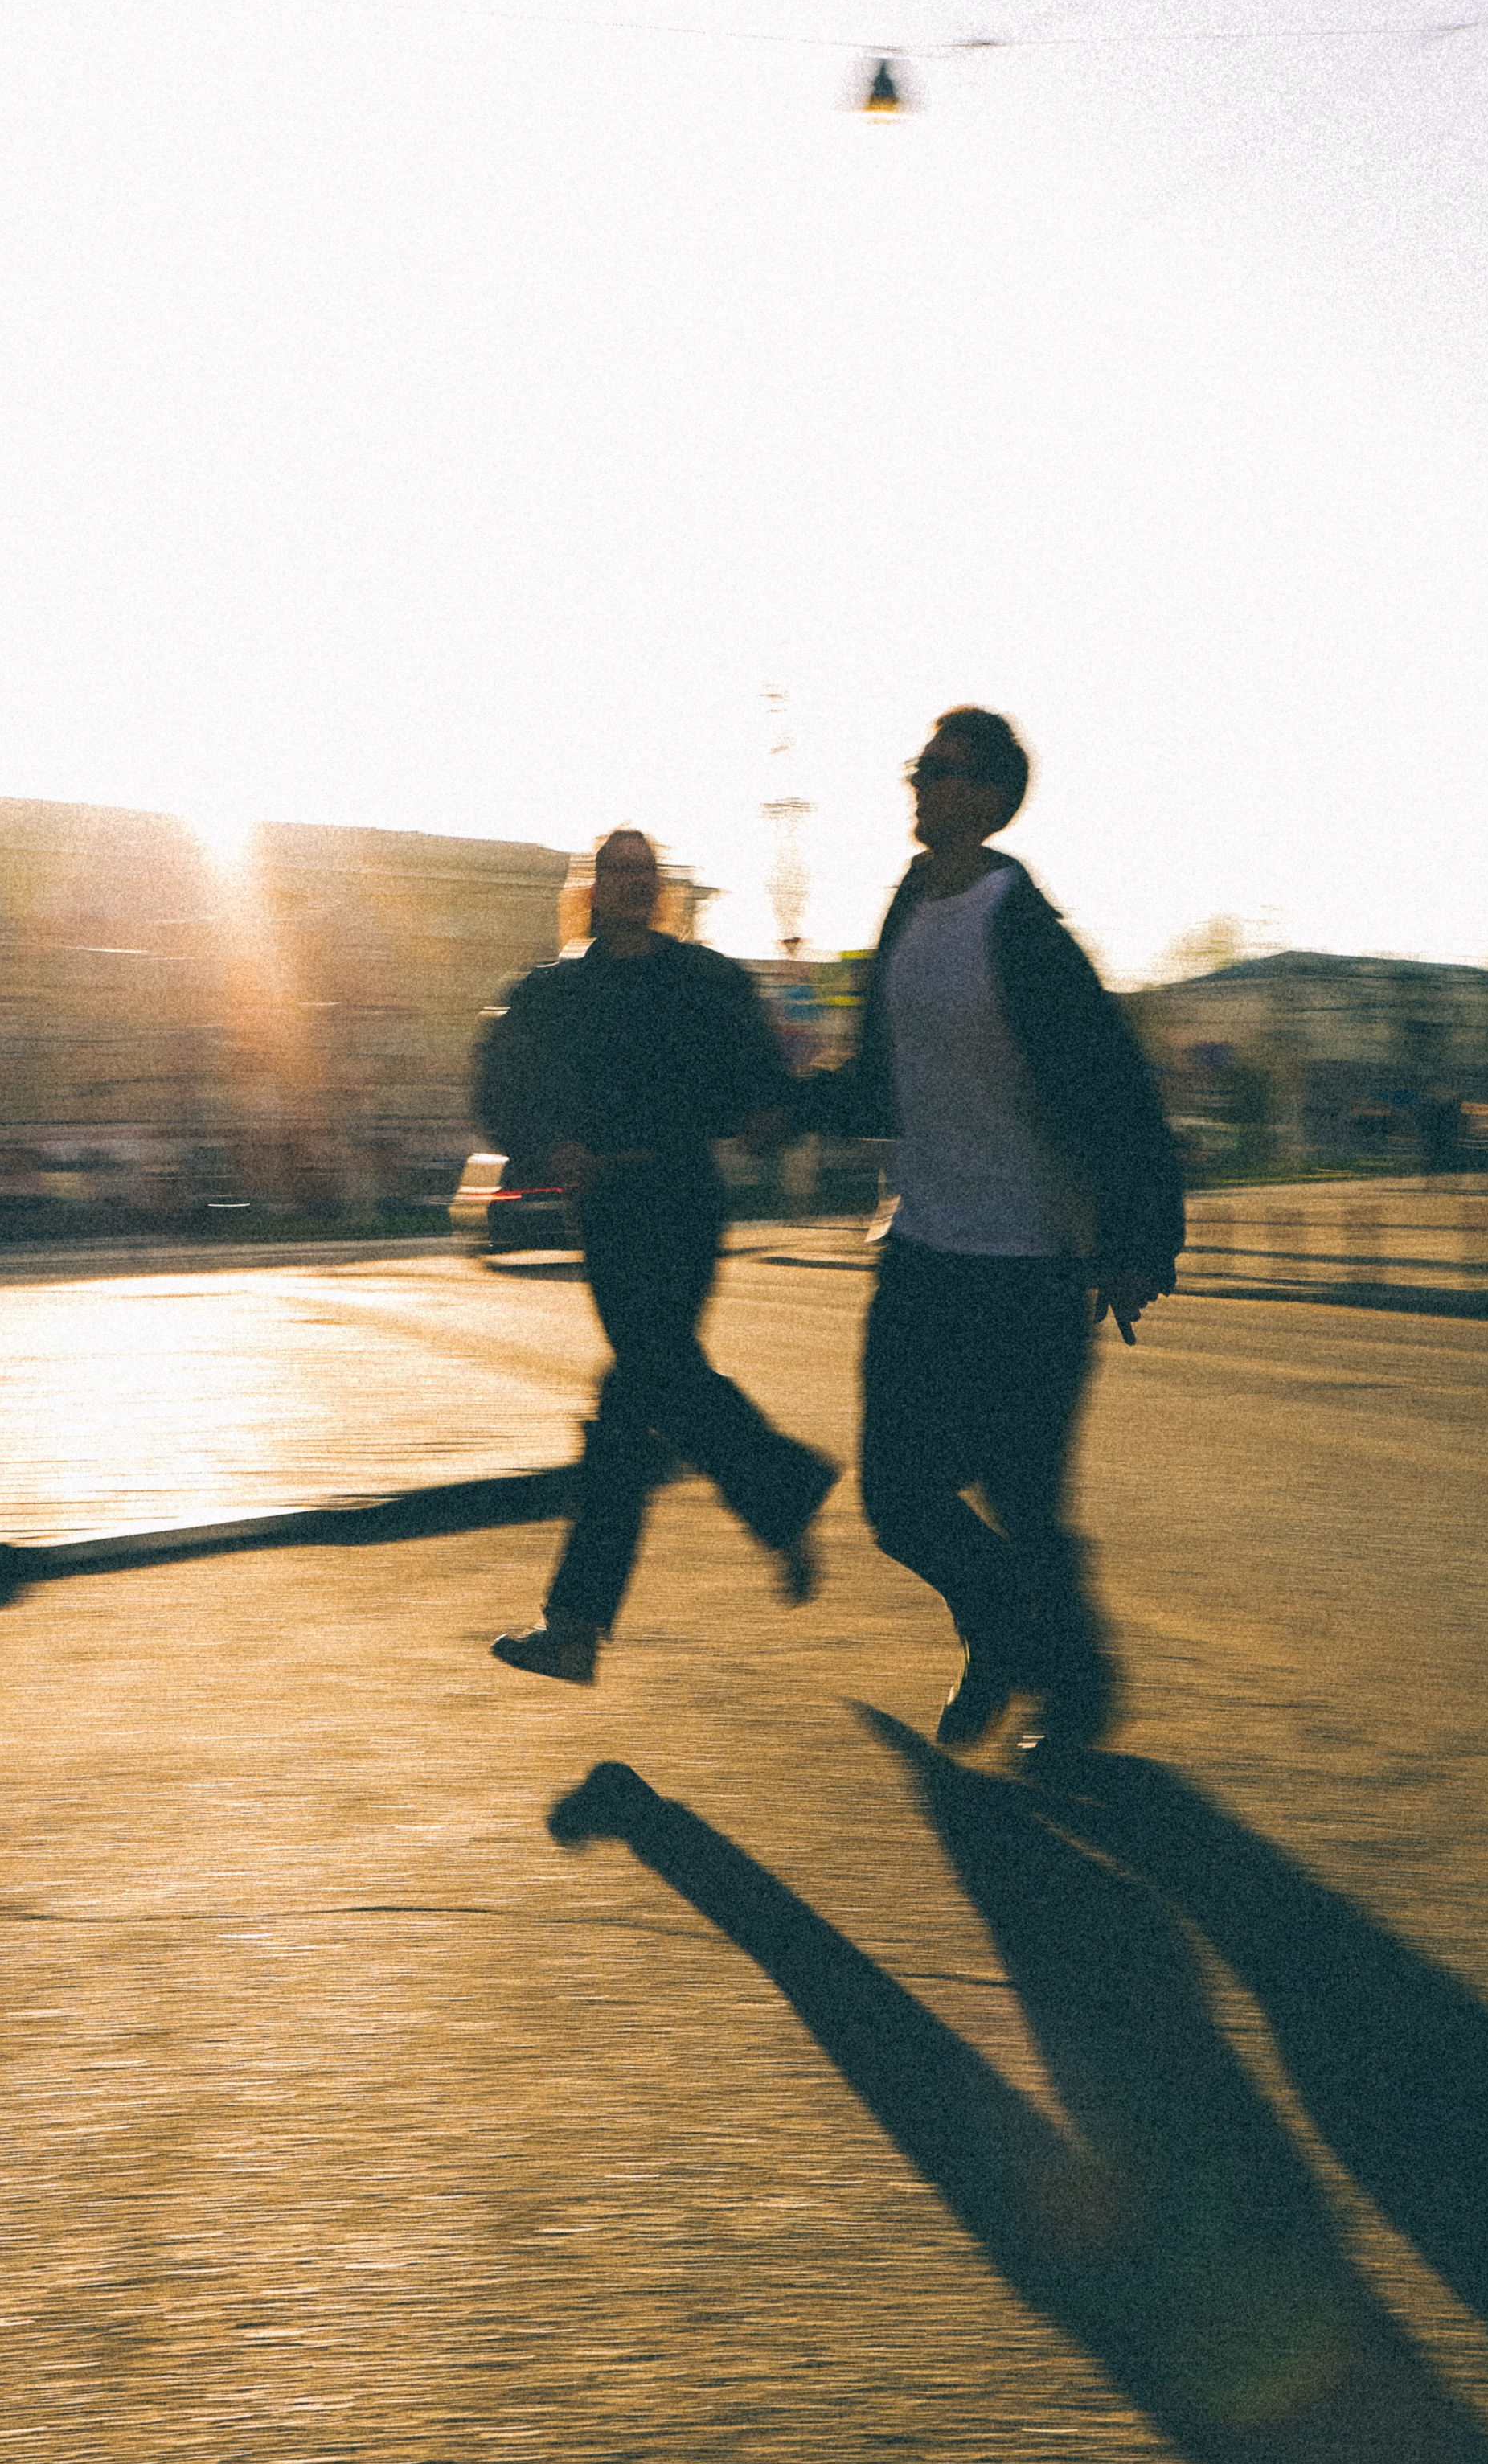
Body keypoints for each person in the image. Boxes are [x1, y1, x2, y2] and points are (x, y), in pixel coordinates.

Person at [807, 711, 1183, 1762]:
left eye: (940, 770)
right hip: (924, 1245)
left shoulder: (1023, 926)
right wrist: (794, 1105)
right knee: (896, 1494)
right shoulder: (905, 907)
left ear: (991, 793)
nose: (918, 784)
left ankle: (1076, 1695)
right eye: (918, 766)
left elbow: (1112, 1087)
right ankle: (1005, 1631)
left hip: (1028, 1257)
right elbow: (881, 1074)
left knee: (1024, 1498)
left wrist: (1138, 1238)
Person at [476, 826, 838, 1683]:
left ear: (659, 886)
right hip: (605, 1209)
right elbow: (499, 1091)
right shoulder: (554, 993)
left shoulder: (704, 980)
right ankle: (780, 1490)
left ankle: (574, 1624)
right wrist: (547, 1146)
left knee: (636, 1381)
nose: (631, 884)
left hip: (682, 1201)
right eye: (614, 871)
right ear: (591, 887)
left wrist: (767, 1115)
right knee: (647, 1383)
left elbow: (759, 1076)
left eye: (644, 871)